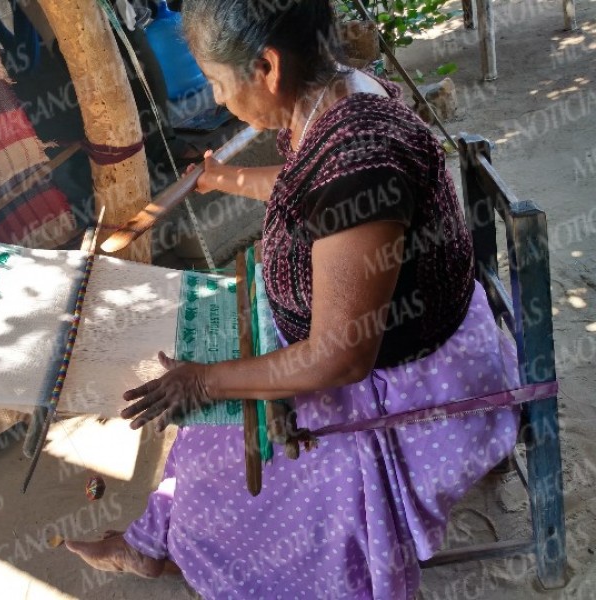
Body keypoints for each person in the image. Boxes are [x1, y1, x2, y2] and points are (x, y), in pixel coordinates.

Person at [65, 1, 520, 597]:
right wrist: (221, 178)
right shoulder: (339, 94)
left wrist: (203, 381)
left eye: (218, 83)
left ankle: (175, 549)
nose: (221, 102)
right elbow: (309, 195)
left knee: (217, 457)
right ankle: (156, 541)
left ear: (268, 67)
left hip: (413, 386)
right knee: (208, 420)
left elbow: (339, 360)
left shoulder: (362, 162)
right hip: (373, 342)